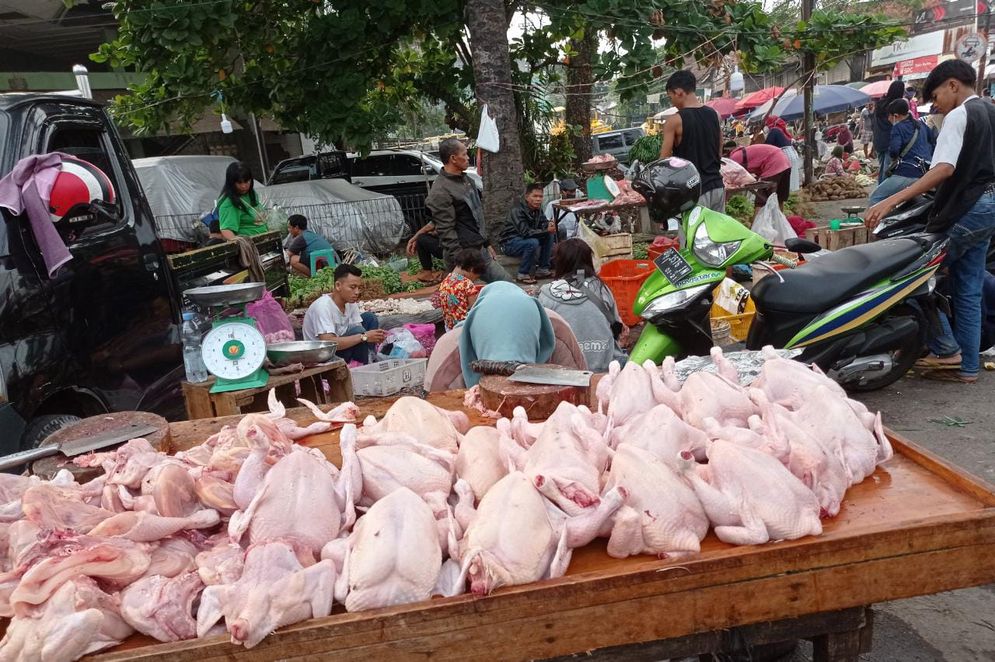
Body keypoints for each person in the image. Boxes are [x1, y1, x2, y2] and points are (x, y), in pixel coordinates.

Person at [865, 59, 995, 384]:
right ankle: (966, 368)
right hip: (989, 208)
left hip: (969, 207)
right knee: (968, 287)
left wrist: (891, 200)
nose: (934, 105)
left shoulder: (959, 115)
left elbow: (943, 169)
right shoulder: (991, 110)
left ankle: (946, 348)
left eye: (935, 96)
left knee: (909, 274)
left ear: (953, 85)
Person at [425, 137, 511, 283]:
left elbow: (476, 216)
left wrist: (486, 243)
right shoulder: (440, 190)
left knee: (506, 284)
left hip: (478, 249)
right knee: (462, 300)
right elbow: (446, 231)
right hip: (462, 255)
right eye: (464, 154)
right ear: (453, 158)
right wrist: (462, 262)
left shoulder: (467, 180)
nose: (467, 158)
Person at [537, 239, 628, 372]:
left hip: (567, 371)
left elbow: (542, 337)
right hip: (604, 367)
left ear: (560, 262)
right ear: (588, 260)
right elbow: (618, 328)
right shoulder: (602, 289)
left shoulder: (546, 293)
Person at [659, 70, 725, 212]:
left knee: (693, 234)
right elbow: (720, 147)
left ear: (678, 92)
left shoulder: (674, 121)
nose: (672, 102)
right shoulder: (714, 115)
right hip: (717, 187)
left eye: (670, 97)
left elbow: (663, 162)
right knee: (718, 234)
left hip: (693, 193)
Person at [302, 263, 385, 365]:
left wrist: (374, 336)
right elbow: (328, 344)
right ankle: (363, 364)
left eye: (359, 288)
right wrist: (365, 337)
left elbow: (359, 330)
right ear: (338, 286)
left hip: (343, 346)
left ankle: (371, 356)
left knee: (370, 318)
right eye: (353, 287)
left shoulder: (350, 302)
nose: (357, 292)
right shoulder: (322, 307)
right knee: (360, 333)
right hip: (325, 356)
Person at [867, 98, 934, 206]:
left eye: (889, 116)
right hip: (925, 172)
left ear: (896, 115)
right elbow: (933, 142)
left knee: (876, 197)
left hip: (907, 171)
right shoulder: (922, 125)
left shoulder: (898, 128)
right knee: (909, 202)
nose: (888, 119)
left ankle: (880, 222)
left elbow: (894, 150)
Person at [500, 183, 555, 284]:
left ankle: (543, 269)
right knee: (533, 242)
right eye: (535, 196)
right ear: (526, 197)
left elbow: (544, 224)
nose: (538, 199)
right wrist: (546, 230)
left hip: (525, 239)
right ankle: (522, 274)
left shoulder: (538, 210)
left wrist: (549, 225)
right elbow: (525, 232)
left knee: (549, 235)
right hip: (510, 242)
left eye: (540, 196)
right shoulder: (517, 210)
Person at [724, 141, 791, 211]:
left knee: (761, 203)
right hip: (785, 161)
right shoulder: (741, 153)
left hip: (774, 164)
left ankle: (757, 222)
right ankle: (779, 221)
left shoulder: (733, 159)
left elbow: (730, 181)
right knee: (779, 199)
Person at [438, 247, 485, 330]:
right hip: (463, 327)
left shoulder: (446, 280)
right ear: (471, 269)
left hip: (449, 326)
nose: (474, 280)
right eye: (476, 277)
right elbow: (474, 307)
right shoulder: (467, 284)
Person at [218, 161, 267, 239]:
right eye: (239, 183)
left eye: (247, 181)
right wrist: (242, 244)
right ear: (231, 182)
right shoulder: (229, 203)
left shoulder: (251, 194)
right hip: (249, 246)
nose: (244, 186)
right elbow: (226, 230)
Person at [872, 81, 907, 183]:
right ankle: (882, 195)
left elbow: (874, 125)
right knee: (887, 170)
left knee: (882, 168)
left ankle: (880, 191)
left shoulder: (879, 104)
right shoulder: (895, 106)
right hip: (890, 141)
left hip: (878, 140)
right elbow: (897, 125)